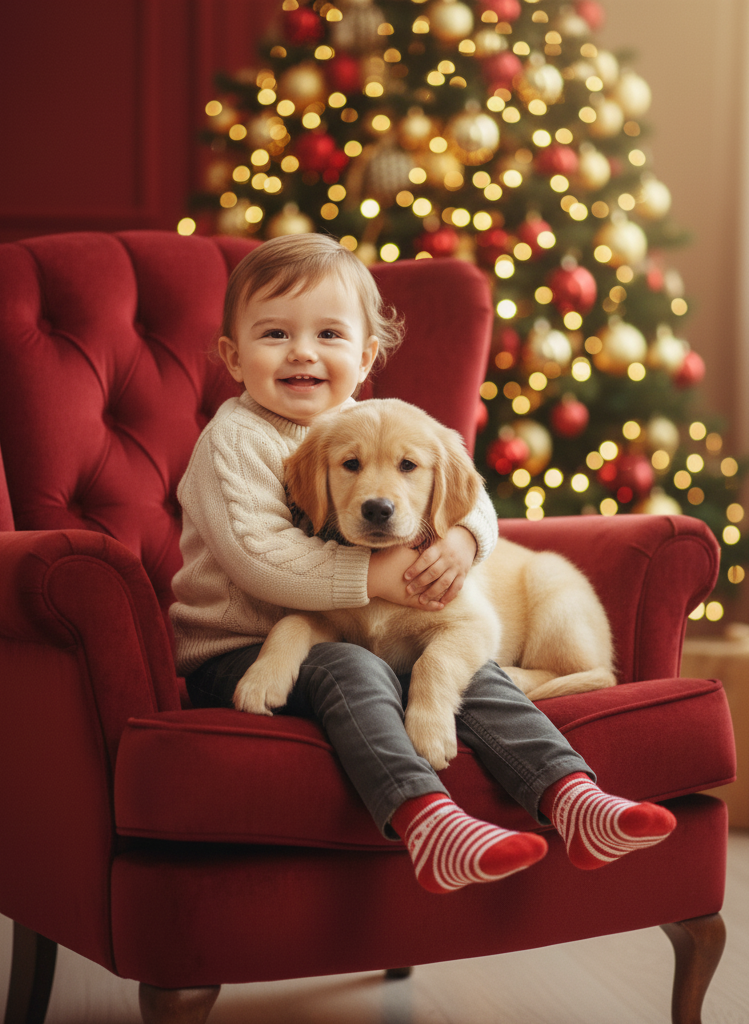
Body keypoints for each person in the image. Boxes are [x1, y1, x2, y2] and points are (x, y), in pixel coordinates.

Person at [170, 233, 676, 894]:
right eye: (275, 335)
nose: (302, 352)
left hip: (359, 625)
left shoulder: (381, 421)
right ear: (235, 358)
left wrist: (464, 541)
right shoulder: (234, 442)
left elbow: (470, 492)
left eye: (328, 334)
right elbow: (264, 563)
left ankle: (576, 799)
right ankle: (429, 820)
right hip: (233, 645)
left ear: (365, 355)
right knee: (354, 664)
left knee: (474, 675)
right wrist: (383, 577)